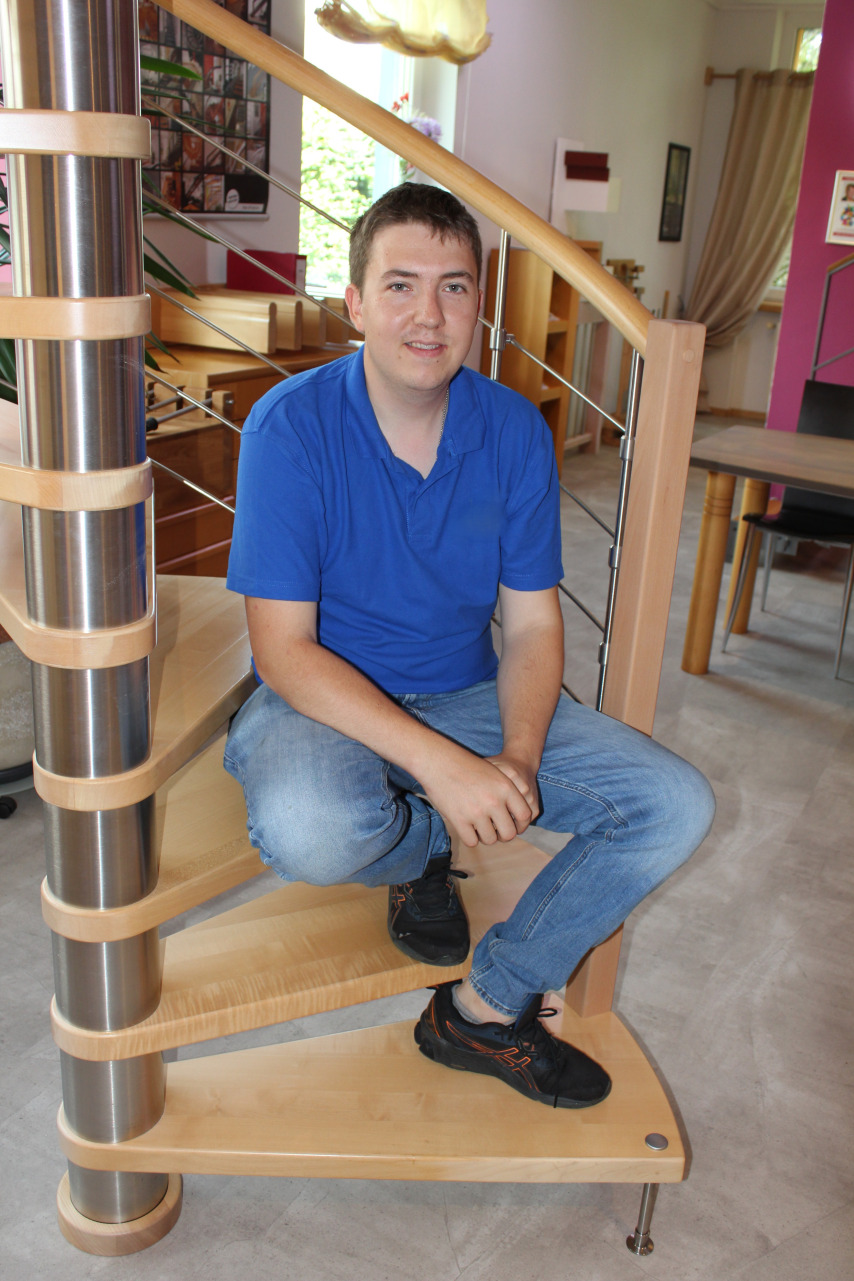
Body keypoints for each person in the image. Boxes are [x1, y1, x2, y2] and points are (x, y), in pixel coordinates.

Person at [224, 183, 715, 1110]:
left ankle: (486, 1007)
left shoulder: (514, 431)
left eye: (454, 287)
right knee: (314, 831)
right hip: (320, 699)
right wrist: (444, 773)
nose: (429, 314)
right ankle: (420, 850)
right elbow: (285, 651)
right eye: (400, 285)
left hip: (463, 691)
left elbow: (531, 624)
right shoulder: (289, 427)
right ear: (355, 303)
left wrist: (517, 757)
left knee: (673, 804)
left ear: (479, 307)